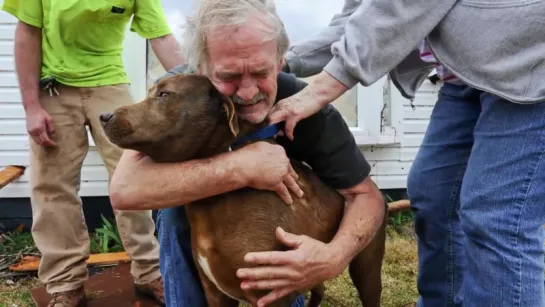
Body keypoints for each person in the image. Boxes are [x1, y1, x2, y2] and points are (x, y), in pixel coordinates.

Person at [107, 0, 386, 306]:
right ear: (201, 69)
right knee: (174, 213)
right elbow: (125, 190)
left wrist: (332, 258)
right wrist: (241, 167)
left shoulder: (307, 104)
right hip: (203, 219)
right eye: (228, 76)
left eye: (260, 71)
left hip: (281, 221)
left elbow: (367, 196)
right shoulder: (181, 91)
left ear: (279, 62)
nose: (248, 92)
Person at [268, 1, 545, 306]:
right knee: (435, 194)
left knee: (497, 216)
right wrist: (277, 66)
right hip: (468, 76)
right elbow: (358, 19)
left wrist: (323, 86)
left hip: (528, 65)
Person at [2, 0, 184, 306]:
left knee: (135, 177)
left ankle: (150, 271)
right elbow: (27, 34)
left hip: (110, 82)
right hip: (54, 87)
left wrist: (200, 83)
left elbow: (162, 37)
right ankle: (66, 283)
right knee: (52, 187)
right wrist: (31, 107)